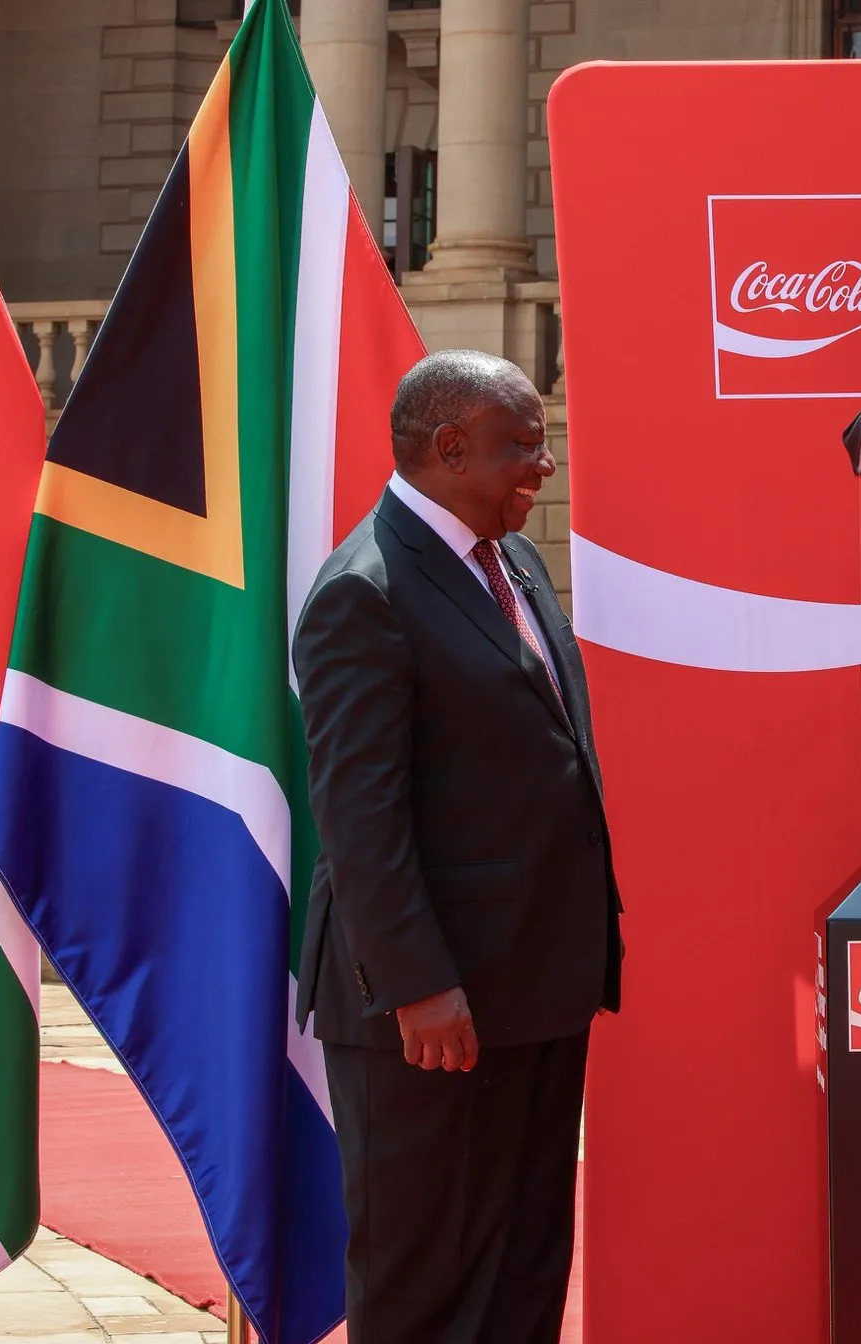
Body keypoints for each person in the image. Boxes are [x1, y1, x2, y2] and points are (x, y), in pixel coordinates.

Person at [291, 349, 622, 1344]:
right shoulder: (364, 590)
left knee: (523, 1266)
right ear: (449, 448)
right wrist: (419, 984)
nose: (544, 465)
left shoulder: (511, 559)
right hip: (433, 1010)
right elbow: (359, 816)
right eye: (522, 444)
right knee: (426, 1281)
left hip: (537, 989)